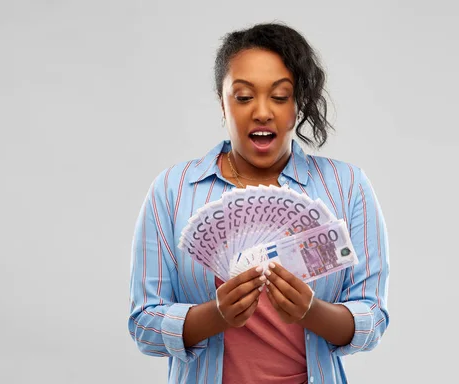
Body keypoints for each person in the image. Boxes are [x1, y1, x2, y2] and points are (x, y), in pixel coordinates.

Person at [128, 22, 390, 384]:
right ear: (222, 103)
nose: (262, 112)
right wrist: (214, 315)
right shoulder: (173, 190)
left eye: (280, 96)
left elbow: (373, 316)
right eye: (244, 96)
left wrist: (312, 312)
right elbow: (143, 323)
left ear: (298, 104)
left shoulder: (348, 187)